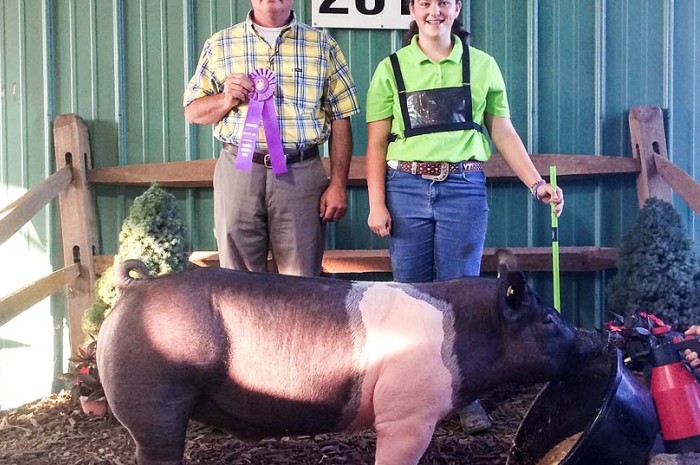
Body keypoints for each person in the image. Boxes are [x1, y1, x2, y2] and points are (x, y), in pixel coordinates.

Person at [364, 0, 564, 433]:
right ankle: (408, 393)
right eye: (424, 3)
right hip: (405, 188)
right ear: (413, 10)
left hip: (464, 189)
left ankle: (464, 396)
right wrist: (377, 202)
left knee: (467, 297)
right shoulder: (390, 69)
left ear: (456, 8)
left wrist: (536, 184)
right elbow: (376, 143)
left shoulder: (483, 65)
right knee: (408, 297)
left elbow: (503, 131)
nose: (434, 11)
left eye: (443, 3)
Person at [183, 0, 359, 277]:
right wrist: (227, 97)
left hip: (300, 173)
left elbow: (341, 117)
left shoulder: (323, 45)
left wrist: (338, 183)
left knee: (301, 280)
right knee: (238, 278)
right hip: (239, 168)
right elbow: (194, 112)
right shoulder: (220, 44)